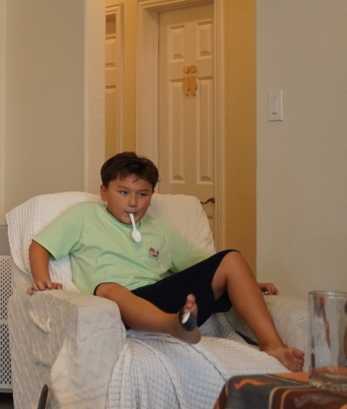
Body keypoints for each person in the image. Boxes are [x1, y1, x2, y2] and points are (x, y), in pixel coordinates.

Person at [28, 151, 303, 371]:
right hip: (115, 304)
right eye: (123, 192)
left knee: (232, 258)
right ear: (104, 192)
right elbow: (40, 245)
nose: (133, 202)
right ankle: (174, 326)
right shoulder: (85, 215)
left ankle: (273, 346)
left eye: (142, 194)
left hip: (160, 297)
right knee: (109, 289)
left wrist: (246, 282)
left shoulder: (159, 229)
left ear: (151, 196)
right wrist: (42, 279)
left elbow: (202, 265)